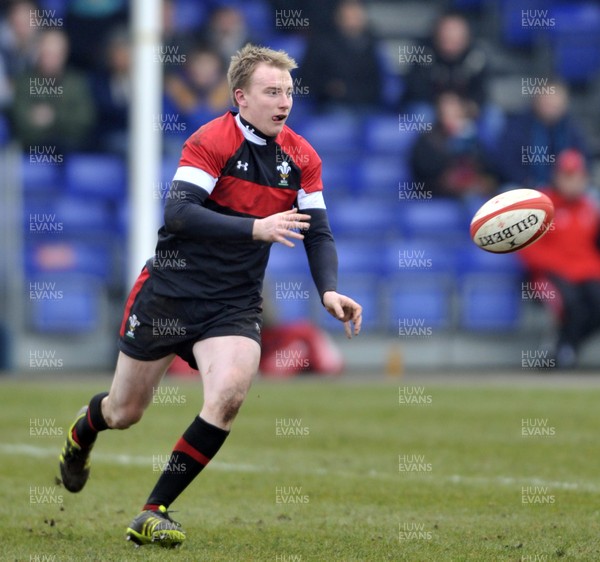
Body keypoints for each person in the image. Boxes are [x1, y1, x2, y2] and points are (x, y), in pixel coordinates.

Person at [58, 43, 362, 548]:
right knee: (124, 412)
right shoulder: (211, 140)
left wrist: (329, 289)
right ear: (241, 97)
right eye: (271, 92)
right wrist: (254, 229)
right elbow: (178, 214)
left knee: (229, 396)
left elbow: (318, 231)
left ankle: (152, 511)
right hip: (171, 292)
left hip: (234, 303)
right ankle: (81, 434)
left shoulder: (303, 156)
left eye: (288, 91)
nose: (283, 101)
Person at [518, 149, 600, 368]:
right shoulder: (541, 206)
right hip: (547, 274)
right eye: (567, 176)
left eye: (577, 176)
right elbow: (527, 248)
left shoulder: (590, 208)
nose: (573, 182)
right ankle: (559, 349)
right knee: (570, 304)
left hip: (586, 272)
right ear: (557, 176)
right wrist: (562, 265)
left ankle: (565, 348)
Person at [10, 28, 95, 152]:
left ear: (65, 54)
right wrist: (63, 122)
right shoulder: (24, 82)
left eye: (55, 54)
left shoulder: (77, 83)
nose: (50, 59)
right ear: (38, 52)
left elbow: (85, 120)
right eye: (46, 53)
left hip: (72, 149)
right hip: (32, 150)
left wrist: (53, 117)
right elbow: (22, 123)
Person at [497, 80, 588, 187]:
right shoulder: (519, 126)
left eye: (556, 104)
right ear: (537, 100)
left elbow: (583, 158)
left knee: (592, 195)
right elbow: (507, 161)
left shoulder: (571, 129)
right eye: (548, 102)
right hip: (524, 185)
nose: (552, 108)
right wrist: (527, 182)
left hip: (563, 187)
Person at [409, 91, 497, 199]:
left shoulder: (473, 136)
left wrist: (468, 141)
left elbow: (490, 167)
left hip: (472, 189)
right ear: (439, 113)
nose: (452, 115)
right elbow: (423, 170)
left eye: (455, 111)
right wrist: (452, 149)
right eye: (447, 111)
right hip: (437, 193)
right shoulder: (428, 138)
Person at [299, 0, 382, 111]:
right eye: (349, 13)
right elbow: (307, 81)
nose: (354, 18)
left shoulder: (373, 44)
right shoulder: (321, 44)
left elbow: (377, 84)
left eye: (357, 13)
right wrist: (329, 88)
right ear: (338, 16)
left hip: (369, 105)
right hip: (333, 106)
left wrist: (351, 92)